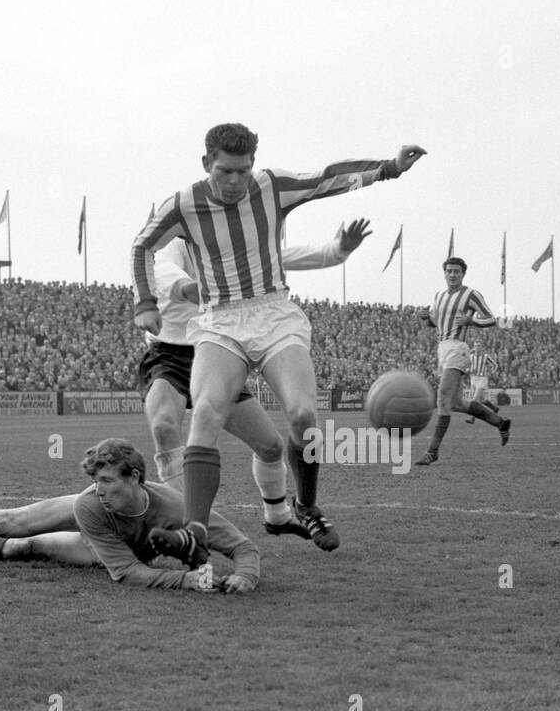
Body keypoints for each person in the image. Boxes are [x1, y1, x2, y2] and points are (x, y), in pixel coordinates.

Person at [129, 123, 426, 565]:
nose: (234, 182)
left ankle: (304, 505)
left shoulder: (270, 186)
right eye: (225, 171)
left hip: (273, 313)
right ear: (206, 163)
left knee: (304, 413)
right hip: (219, 319)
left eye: (243, 171)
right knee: (207, 411)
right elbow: (142, 246)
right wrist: (146, 303)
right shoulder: (184, 204)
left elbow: (324, 178)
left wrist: (387, 169)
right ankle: (194, 531)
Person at [142, 218, 372, 544]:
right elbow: (162, 271)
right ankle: (184, 527)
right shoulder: (176, 248)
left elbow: (287, 256)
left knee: (270, 446)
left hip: (220, 353)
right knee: (165, 426)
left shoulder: (236, 254)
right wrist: (191, 288)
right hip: (170, 356)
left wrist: (337, 250)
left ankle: (277, 517)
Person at [0, 439, 259, 593]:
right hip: (102, 530)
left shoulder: (178, 508)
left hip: (115, 544)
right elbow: (126, 574)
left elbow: (243, 547)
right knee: (3, 524)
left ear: (135, 478)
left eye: (107, 481)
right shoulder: (91, 503)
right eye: (95, 481)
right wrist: (185, 579)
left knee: (25, 548)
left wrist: (244, 576)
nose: (100, 488)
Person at [413, 258, 511, 465]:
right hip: (442, 348)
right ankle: (500, 423)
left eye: (456, 271)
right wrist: (425, 317)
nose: (452, 274)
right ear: (444, 273)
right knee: (457, 403)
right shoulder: (439, 296)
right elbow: (435, 323)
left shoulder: (470, 294)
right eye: (449, 271)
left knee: (442, 399)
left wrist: (471, 320)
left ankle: (432, 451)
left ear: (463, 274)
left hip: (458, 347)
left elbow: (491, 318)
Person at [463, 343, 500, 423]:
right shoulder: (471, 357)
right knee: (481, 400)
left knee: (475, 400)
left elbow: (495, 365)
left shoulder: (485, 357)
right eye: (476, 346)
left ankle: (472, 419)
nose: (477, 347)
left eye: (479, 346)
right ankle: (494, 408)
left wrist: (491, 373)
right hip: (473, 379)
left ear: (482, 348)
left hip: (482, 379)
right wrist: (468, 370)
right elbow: (465, 367)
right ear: (474, 347)